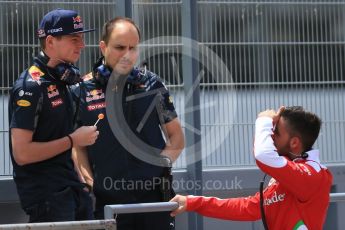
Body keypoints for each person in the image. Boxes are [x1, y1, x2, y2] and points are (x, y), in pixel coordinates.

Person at [71, 17, 184, 229]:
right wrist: (90, 184)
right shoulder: (81, 90)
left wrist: (158, 168)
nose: (127, 54)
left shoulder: (152, 84)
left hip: (154, 199)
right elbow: (78, 147)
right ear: (103, 47)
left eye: (133, 48)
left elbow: (176, 137)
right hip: (106, 201)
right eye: (119, 47)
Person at [170, 106, 333, 230]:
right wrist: (192, 202)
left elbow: (263, 155)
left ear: (294, 143)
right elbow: (248, 207)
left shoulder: (313, 175)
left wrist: (264, 121)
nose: (270, 136)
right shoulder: (287, 174)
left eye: (275, 133)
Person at [8, 9, 99, 222]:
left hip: (72, 190)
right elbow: (22, 154)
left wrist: (83, 184)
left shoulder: (62, 80)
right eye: (74, 39)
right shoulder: (30, 87)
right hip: (48, 197)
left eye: (82, 38)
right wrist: (73, 140)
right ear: (50, 41)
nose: (82, 45)